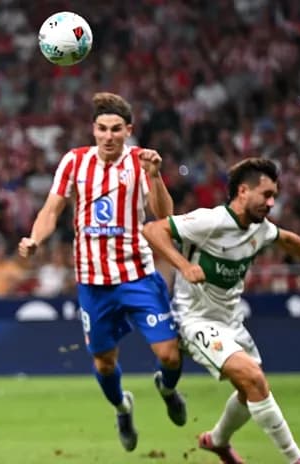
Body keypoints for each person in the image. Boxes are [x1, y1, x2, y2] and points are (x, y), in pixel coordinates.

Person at [144, 158, 300, 464]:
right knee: (253, 378)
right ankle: (297, 459)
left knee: (249, 389)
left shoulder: (261, 229)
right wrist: (184, 266)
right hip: (195, 320)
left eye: (274, 197)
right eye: (266, 195)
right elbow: (153, 230)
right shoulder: (211, 221)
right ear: (243, 191)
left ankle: (217, 441)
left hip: (231, 322)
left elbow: (289, 241)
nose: (271, 203)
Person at [18, 92, 186, 451]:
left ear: (128, 131)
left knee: (170, 355)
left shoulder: (141, 164)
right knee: (105, 364)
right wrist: (35, 239)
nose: (108, 136)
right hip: (94, 284)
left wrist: (156, 177)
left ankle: (167, 388)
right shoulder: (74, 162)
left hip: (138, 276)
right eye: (101, 129)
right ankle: (123, 407)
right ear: (93, 130)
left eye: (115, 129)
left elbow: (163, 216)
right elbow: (52, 209)